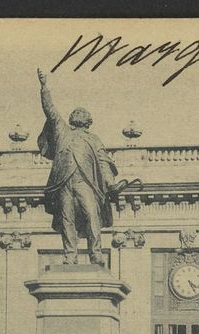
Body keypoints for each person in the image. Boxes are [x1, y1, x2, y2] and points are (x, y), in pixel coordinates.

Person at [36, 68, 130, 266]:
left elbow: (103, 162)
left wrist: (111, 184)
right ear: (71, 119)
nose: (78, 114)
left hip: (84, 183)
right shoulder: (63, 132)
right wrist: (44, 87)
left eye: (82, 113)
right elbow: (50, 111)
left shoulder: (94, 140)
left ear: (88, 121)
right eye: (75, 112)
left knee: (91, 217)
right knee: (67, 219)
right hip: (63, 183)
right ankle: (70, 255)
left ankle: (95, 254)